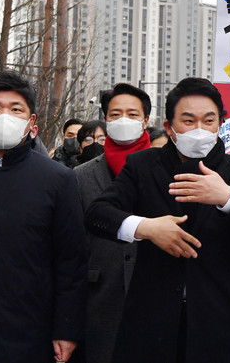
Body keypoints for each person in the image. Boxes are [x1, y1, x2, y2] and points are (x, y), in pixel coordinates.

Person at [85, 77, 230, 363]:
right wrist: (146, 227)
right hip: (150, 324)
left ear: (221, 122)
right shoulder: (143, 165)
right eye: (188, 120)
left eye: (208, 120)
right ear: (170, 126)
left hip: (217, 325)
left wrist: (227, 197)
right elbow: (98, 214)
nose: (199, 129)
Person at [0, 70, 86, 363]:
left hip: (27, 330)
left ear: (31, 123)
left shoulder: (57, 179)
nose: (4, 115)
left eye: (16, 109)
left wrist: (67, 329)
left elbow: (71, 261)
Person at [74, 83, 152, 363]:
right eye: (115, 114)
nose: (123, 121)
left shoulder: (164, 170)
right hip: (100, 298)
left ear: (146, 121)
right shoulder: (81, 176)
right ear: (105, 120)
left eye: (132, 114)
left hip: (152, 297)